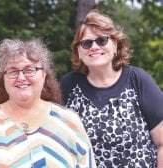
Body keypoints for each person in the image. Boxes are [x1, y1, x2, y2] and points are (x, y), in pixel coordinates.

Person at [0, 38, 96, 167]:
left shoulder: (69, 123)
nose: (21, 77)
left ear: (44, 75)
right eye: (12, 71)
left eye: (29, 70)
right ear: (3, 79)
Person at [60, 10, 163, 168]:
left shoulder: (138, 80)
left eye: (101, 40)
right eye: (86, 43)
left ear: (115, 45)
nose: (94, 47)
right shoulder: (68, 85)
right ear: (78, 52)